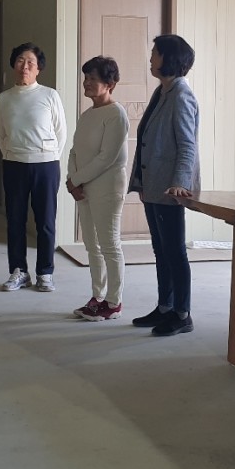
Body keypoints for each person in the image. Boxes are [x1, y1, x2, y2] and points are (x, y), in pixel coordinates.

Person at [129, 34, 201, 336]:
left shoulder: (181, 96)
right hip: (154, 185)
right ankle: (164, 307)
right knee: (161, 250)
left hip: (171, 189)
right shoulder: (163, 91)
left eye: (155, 53)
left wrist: (180, 183)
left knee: (175, 252)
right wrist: (142, 182)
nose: (151, 58)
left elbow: (187, 145)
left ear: (169, 59)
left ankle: (182, 314)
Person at [0, 42, 67, 292]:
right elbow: (1, 134)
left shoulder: (50, 95)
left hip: (46, 165)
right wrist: (11, 153)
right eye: (20, 61)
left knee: (45, 221)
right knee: (15, 220)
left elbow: (61, 132)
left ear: (38, 69)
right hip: (14, 164)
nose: (25, 66)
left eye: (30, 63)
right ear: (13, 65)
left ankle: (45, 272)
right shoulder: (3, 99)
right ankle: (19, 271)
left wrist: (49, 155)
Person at [65, 56, 129, 321]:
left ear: (109, 84)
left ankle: (113, 302)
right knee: (92, 245)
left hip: (107, 187)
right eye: (86, 78)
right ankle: (97, 296)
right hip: (83, 187)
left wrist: (76, 180)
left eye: (93, 78)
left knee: (109, 244)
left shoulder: (116, 114)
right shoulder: (87, 115)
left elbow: (107, 157)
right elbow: (74, 151)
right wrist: (72, 179)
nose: (86, 83)